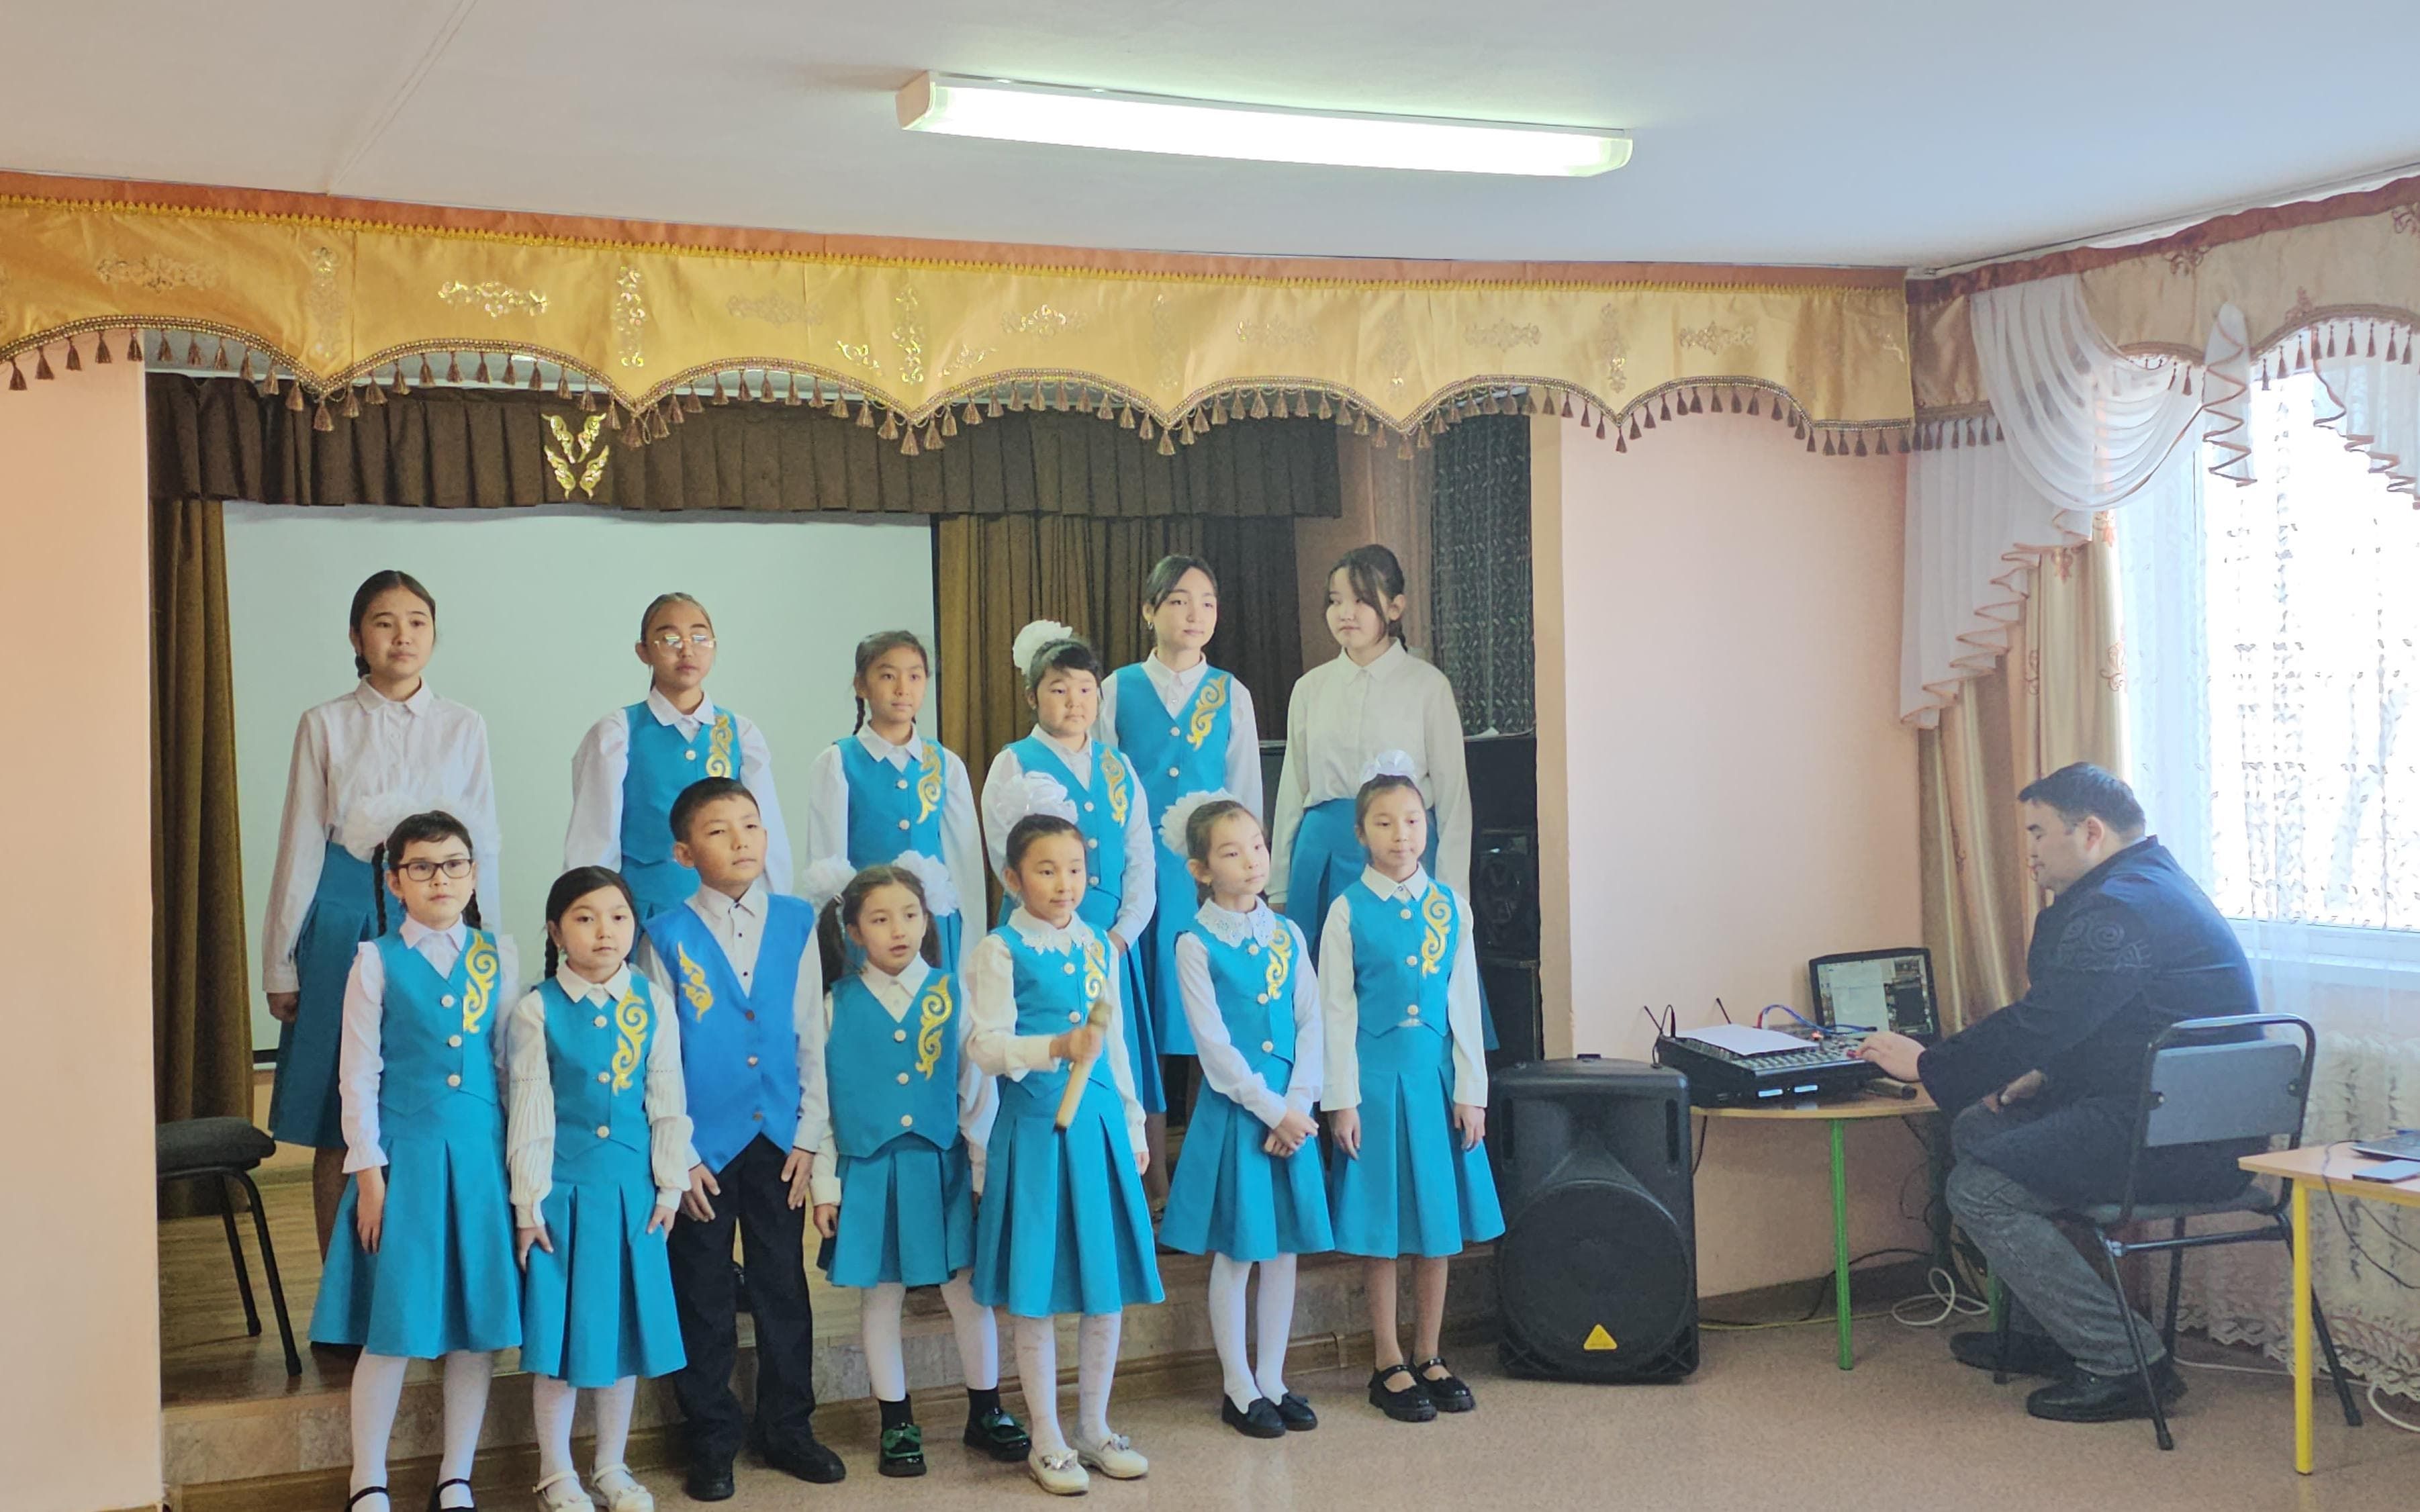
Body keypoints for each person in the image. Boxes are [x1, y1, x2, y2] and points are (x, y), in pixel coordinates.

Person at [1855, 763, 2260, 1426]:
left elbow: (2045, 1020)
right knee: (1977, 1130)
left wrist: (1928, 1062)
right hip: (2168, 1113)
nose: (2031, 850)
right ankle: (2051, 1332)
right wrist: (2042, 1075)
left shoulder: (2121, 908)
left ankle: (2126, 1361)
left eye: (2039, 832)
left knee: (1978, 1190)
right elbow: (2117, 1021)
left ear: (2091, 832)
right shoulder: (2150, 884)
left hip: (2173, 1135)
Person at [262, 569, 502, 1258]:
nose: (403, 636)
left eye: (417, 622)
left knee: (433, 1100)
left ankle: (425, 1279)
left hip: (442, 915)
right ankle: (343, 1291)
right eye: (384, 622)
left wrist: (486, 942)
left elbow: (482, 839)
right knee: (341, 1115)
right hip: (345, 912)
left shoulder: (463, 725)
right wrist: (280, 961)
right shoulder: (325, 723)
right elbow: (300, 842)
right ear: (356, 636)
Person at [635, 777, 843, 1500]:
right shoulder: (664, 934)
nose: (740, 840)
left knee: (783, 1285)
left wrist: (810, 1137)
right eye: (719, 830)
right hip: (703, 1149)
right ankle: (711, 1436)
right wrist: (681, 1154)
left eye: (750, 825)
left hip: (780, 1139)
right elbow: (657, 1056)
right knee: (702, 1292)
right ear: (685, 852)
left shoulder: (797, 921)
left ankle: (789, 1427)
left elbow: (810, 1034)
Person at [308, 812, 520, 1512]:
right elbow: (358, 1076)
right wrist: (369, 1177)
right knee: (393, 1325)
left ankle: (456, 1475)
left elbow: (508, 1065)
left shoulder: (497, 954)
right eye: (422, 867)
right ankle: (367, 1478)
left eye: (454, 864)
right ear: (395, 880)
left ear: (473, 874)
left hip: (480, 1162)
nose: (440, 879)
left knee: (475, 1332)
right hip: (407, 1162)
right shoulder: (376, 961)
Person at [798, 863, 1031, 1478]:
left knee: (966, 1292)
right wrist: (826, 1185)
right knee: (882, 1297)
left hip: (941, 1167)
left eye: (909, 915)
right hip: (869, 1173)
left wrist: (980, 1171)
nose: (898, 930)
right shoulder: (834, 1006)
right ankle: (896, 1421)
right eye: (879, 919)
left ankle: (986, 1409)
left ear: (927, 921)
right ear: (853, 931)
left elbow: (976, 1093)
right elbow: (821, 1104)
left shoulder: (953, 995)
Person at [966, 814, 1165, 1496]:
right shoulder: (1000, 950)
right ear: (1012, 878)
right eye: (1046, 870)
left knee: (1103, 1287)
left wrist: (1133, 1126)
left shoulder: (1097, 943)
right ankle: (1046, 1435)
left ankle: (1094, 1425)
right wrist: (1053, 1046)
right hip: (1036, 1132)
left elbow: (1116, 1044)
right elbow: (984, 1046)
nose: (1064, 883)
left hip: (1099, 1128)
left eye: (1075, 869)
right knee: (1037, 1290)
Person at [1320, 761, 1503, 1423]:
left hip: (1435, 1083)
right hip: (1374, 1085)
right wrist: (1340, 1098)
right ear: (1361, 833)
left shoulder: (1451, 907)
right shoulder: (1346, 910)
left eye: (1412, 820)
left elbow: (1464, 1006)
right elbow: (1335, 1011)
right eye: (1384, 822)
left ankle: (1430, 1352)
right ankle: (1388, 1357)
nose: (1401, 834)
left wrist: (1472, 1090)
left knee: (1436, 1223)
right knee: (1382, 1226)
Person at [507, 867, 692, 1512]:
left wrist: (669, 1186)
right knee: (560, 1340)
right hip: (564, 1194)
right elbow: (530, 1111)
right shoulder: (537, 1010)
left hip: (632, 1193)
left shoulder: (652, 1001)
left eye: (618, 916)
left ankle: (612, 1463)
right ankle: (556, 1471)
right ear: (557, 932)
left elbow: (667, 1097)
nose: (604, 931)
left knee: (621, 1336)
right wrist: (528, 1203)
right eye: (585, 918)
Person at [1156, 792, 1330, 1438]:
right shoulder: (1195, 944)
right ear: (1202, 870)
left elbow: (1310, 1021)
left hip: (1291, 1114)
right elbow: (1215, 1049)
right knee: (1237, 1252)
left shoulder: (1287, 933)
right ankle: (1238, 1385)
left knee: (1282, 1251)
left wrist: (1299, 1105)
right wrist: (1271, 1111)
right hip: (1239, 1116)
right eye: (1232, 853)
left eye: (1257, 846)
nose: (1253, 861)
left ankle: (1273, 1378)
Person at [1271, 547, 1493, 1046]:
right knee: (1318, 1003)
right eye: (1335, 601)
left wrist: (1452, 894)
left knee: (1406, 994)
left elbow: (1453, 799)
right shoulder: (1310, 688)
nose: (1344, 613)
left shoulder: (1427, 686)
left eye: (1360, 600)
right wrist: (1279, 883)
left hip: (1405, 853)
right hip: (1323, 853)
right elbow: (1293, 789)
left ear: (1394, 607)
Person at [1100, 556, 1264, 1196]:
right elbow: (1105, 784)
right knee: (1144, 1025)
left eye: (1207, 602)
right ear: (1149, 610)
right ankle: (1151, 1176)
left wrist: (1245, 876)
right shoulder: (1117, 688)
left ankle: (1201, 1174)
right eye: (1178, 601)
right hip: (1140, 877)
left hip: (1206, 880)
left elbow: (1244, 793)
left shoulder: (1230, 693)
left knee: (1205, 1022)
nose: (1195, 615)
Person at [980, 621, 1162, 1134]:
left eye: (1086, 689)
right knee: (1047, 1070)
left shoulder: (1117, 766)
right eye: (1059, 690)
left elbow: (1140, 855)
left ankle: (1125, 1158)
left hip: (1110, 940)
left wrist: (1123, 934)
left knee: (1116, 1061)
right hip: (1041, 940)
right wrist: (1054, 926)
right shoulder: (1014, 763)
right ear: (1032, 697)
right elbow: (1003, 855)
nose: (1075, 701)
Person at [565, 592, 793, 922]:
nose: (687, 650)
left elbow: (767, 832)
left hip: (728, 920)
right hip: (645, 916)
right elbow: (594, 841)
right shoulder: (617, 734)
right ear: (644, 651)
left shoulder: (741, 734)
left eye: (699, 638)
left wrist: (775, 914)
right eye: (670, 639)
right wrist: (589, 918)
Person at [798, 630, 983, 973]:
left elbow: (964, 865)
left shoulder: (945, 763)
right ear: (861, 685)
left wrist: (971, 941)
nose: (903, 688)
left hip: (933, 930)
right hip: (866, 932)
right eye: (887, 676)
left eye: (915, 676)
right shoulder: (837, 762)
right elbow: (828, 864)